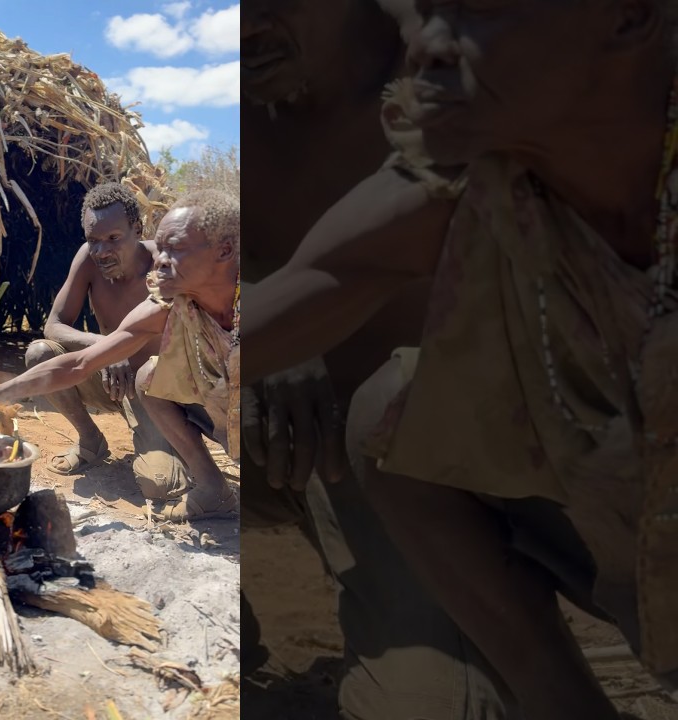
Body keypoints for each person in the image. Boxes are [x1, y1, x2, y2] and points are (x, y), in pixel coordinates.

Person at [241, 0, 678, 717]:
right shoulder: (474, 163)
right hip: (606, 504)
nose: (431, 45)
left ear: (628, 18)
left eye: (480, 13)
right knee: (393, 415)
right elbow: (307, 292)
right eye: (432, 12)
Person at [244, 1, 509, 717]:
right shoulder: (243, 106)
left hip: (459, 441)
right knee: (166, 390)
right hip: (312, 432)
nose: (243, 25)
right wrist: (264, 314)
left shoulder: (483, 63)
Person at [0, 190, 239, 521]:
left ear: (224, 251)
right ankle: (212, 490)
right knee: (147, 378)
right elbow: (81, 362)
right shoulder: (167, 302)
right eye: (163, 247)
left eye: (175, 249)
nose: (160, 260)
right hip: (185, 399)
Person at [25, 182, 189, 501]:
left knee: (161, 485)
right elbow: (54, 325)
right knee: (40, 355)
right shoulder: (88, 259)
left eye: (113, 239)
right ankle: (91, 442)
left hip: (155, 392)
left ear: (138, 229)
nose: (101, 251)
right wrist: (109, 347)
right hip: (109, 379)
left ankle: (176, 443)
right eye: (93, 240)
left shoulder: (165, 266)